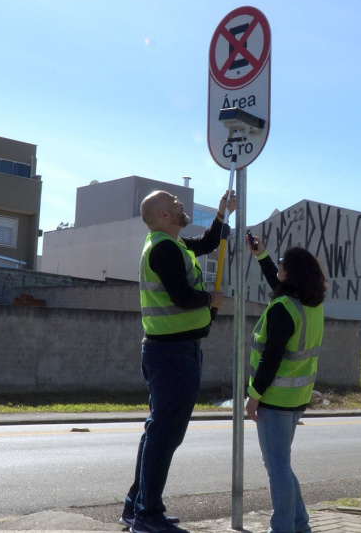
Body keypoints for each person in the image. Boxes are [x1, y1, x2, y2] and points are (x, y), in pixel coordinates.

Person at [121, 189, 236, 533]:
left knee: (158, 434)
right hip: (172, 354)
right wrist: (211, 300)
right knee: (164, 435)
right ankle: (147, 515)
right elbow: (182, 297)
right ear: (163, 216)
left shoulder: (175, 245)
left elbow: (208, 242)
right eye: (174, 204)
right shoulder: (164, 248)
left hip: (170, 352)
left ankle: (137, 508)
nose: (180, 205)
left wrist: (221, 215)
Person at [245, 237, 327, 533]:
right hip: (295, 398)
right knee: (282, 464)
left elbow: (271, 359)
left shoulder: (283, 308)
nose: (278, 265)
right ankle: (300, 525)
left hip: (274, 398)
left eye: (281, 262)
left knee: (276, 467)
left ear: (290, 273)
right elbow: (277, 282)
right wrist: (262, 255)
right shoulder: (309, 304)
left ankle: (282, 529)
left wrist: (254, 395)